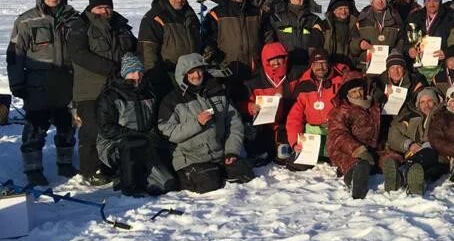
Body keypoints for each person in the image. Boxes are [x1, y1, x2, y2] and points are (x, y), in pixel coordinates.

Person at [6, 0, 78, 185]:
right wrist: (17, 83)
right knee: (36, 127)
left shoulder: (73, 19)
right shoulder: (26, 21)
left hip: (67, 81)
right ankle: (33, 169)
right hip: (38, 83)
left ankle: (65, 163)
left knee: (67, 126)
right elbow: (15, 54)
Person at [67, 0, 138, 185]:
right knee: (92, 128)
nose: (104, 11)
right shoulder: (80, 25)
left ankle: (110, 164)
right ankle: (90, 169)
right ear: (92, 8)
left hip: (117, 88)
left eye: (108, 7)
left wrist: (133, 68)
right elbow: (79, 54)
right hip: (90, 88)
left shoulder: (121, 26)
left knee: (115, 126)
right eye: (100, 7)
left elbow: (133, 48)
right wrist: (112, 68)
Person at [157, 53, 253, 193]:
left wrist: (232, 152)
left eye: (199, 70)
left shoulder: (218, 91)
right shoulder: (172, 100)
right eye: (191, 72)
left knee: (244, 173)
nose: (196, 75)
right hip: (191, 158)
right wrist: (197, 123)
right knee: (210, 182)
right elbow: (168, 133)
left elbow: (234, 123)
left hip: (219, 154)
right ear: (183, 74)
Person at [96, 53, 177, 196]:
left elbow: (153, 121)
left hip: (144, 142)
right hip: (114, 144)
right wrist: (133, 135)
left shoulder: (149, 92)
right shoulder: (110, 95)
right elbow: (106, 128)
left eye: (139, 72)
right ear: (124, 73)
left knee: (167, 184)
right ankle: (128, 187)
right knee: (131, 145)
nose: (137, 76)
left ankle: (141, 177)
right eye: (132, 72)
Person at [201, 0, 263, 101]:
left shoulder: (257, 12)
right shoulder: (216, 14)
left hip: (253, 70)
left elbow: (265, 37)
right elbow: (207, 42)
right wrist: (219, 63)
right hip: (227, 70)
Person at [285, 48, 349, 167]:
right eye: (316, 64)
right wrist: (295, 142)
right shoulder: (304, 86)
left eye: (323, 63)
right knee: (294, 164)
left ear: (329, 64)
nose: (320, 67)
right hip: (312, 136)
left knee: (344, 161)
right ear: (311, 65)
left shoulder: (340, 82)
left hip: (335, 132)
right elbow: (294, 118)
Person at [139, 0, 201, 103]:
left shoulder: (190, 16)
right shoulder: (155, 17)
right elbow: (147, 51)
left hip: (190, 75)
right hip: (167, 75)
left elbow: (197, 42)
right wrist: (155, 76)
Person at [244, 41, 302, 165]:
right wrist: (250, 107)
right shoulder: (254, 82)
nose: (276, 63)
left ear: (285, 58)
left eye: (279, 59)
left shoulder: (296, 74)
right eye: (272, 60)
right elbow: (240, 104)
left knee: (283, 157)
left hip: (289, 124)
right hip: (266, 126)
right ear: (265, 61)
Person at [327, 74, 384, 199]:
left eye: (360, 90)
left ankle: (396, 181)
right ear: (347, 93)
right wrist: (357, 149)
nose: (358, 94)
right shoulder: (341, 110)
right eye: (354, 91)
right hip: (346, 149)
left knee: (389, 159)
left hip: (371, 147)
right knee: (355, 163)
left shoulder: (373, 106)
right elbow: (337, 134)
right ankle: (353, 180)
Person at [383, 87, 446, 196]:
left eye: (430, 101)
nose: (426, 105)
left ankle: (403, 172)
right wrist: (409, 144)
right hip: (412, 153)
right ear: (418, 104)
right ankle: (410, 178)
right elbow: (393, 133)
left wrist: (429, 145)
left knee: (433, 161)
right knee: (419, 168)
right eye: (422, 102)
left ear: (436, 102)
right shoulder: (410, 117)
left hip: (437, 154)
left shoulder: (444, 116)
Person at [406, 0, 454, 78]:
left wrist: (447, 52)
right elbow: (405, 38)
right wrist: (409, 49)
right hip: (419, 65)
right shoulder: (415, 17)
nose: (432, 4)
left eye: (435, 1)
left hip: (441, 64)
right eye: (428, 1)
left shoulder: (451, 16)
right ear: (424, 2)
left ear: (440, 2)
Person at [266, 0, 324, 68]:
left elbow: (320, 44)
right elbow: (269, 42)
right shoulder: (276, 18)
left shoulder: (314, 20)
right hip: (284, 65)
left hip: (307, 65)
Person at [355, 0, 408, 74]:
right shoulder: (362, 19)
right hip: (366, 67)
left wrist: (395, 52)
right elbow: (353, 41)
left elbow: (402, 39)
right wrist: (359, 44)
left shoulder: (396, 18)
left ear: (387, 1)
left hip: (389, 68)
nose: (380, 1)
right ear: (372, 2)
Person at [370, 51, 426, 120]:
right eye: (392, 68)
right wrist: (383, 96)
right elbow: (373, 92)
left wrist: (417, 91)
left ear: (404, 69)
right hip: (384, 117)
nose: (396, 71)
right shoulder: (379, 81)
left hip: (405, 116)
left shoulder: (413, 80)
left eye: (399, 67)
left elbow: (422, 85)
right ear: (388, 70)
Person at [322, 0, 361, 66]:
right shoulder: (324, 25)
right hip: (330, 66)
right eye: (340, 9)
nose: (343, 12)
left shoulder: (356, 24)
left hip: (351, 66)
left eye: (346, 8)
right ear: (333, 10)